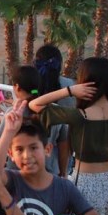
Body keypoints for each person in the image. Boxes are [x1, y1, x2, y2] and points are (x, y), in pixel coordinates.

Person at [28, 57, 108, 215]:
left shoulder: (80, 116)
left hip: (85, 183)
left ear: (85, 82)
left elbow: (35, 104)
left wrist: (70, 90)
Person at [34, 44, 76, 177]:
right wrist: (63, 172)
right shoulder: (70, 86)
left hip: (29, 156)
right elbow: (67, 134)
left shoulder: (29, 85)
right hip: (59, 159)